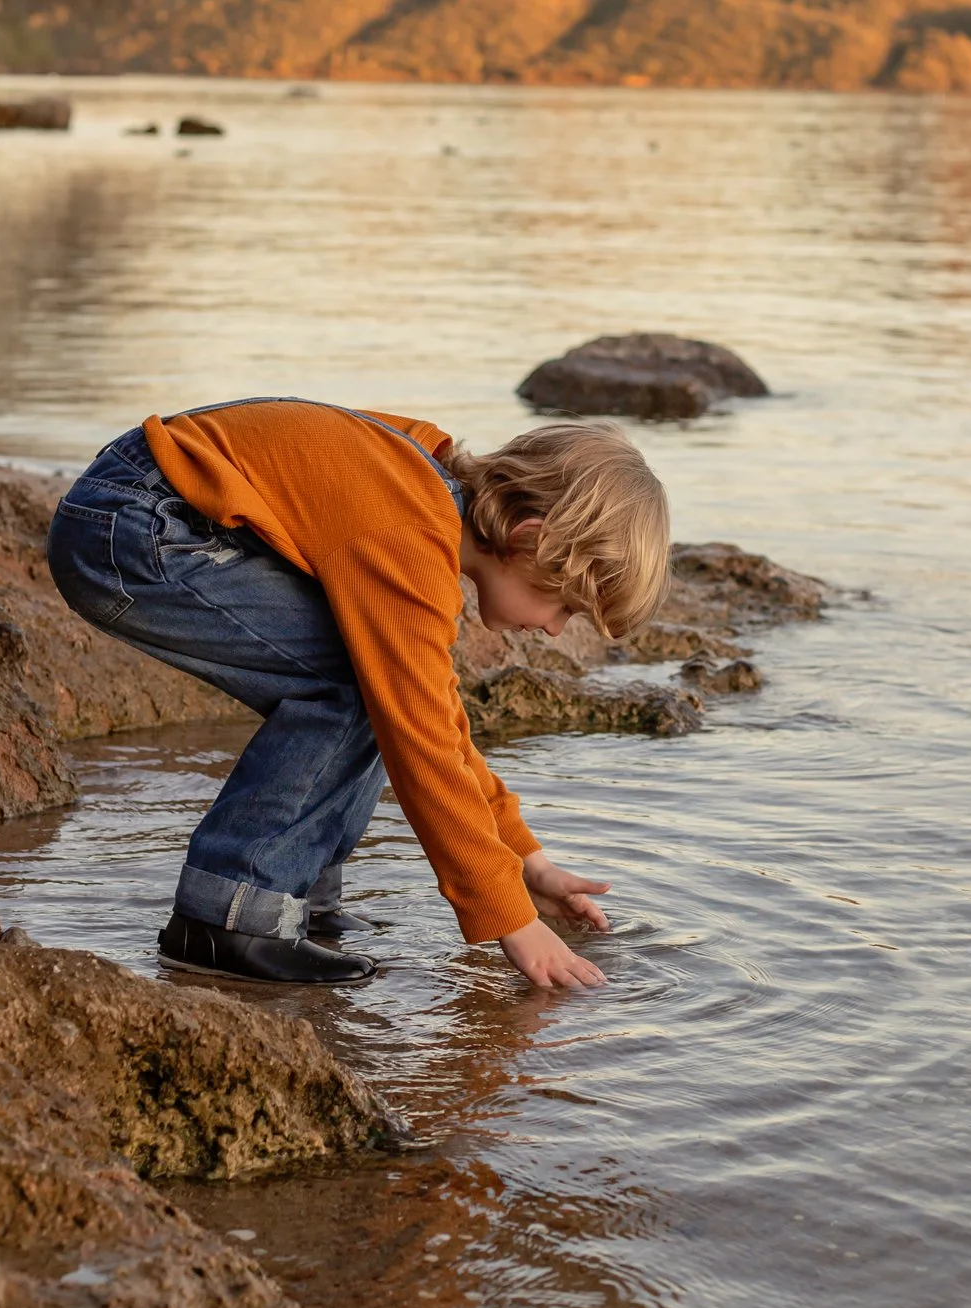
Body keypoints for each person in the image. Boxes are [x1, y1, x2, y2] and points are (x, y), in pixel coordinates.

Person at [45, 397, 670, 989]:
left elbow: (437, 719)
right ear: (529, 539)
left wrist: (524, 860)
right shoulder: (408, 532)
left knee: (376, 684)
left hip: (151, 511)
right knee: (354, 687)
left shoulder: (427, 498)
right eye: (564, 606)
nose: (555, 629)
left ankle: (292, 900)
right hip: (137, 528)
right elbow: (420, 742)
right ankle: (229, 918)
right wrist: (510, 918)